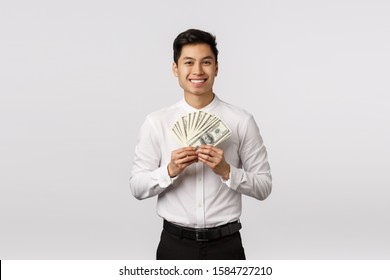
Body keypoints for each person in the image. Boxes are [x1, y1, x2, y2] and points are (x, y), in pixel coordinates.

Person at [130, 29, 272, 260]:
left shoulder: (241, 121)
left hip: (227, 246)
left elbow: (264, 186)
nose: (197, 71)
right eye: (188, 62)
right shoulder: (156, 122)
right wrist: (169, 171)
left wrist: (227, 172)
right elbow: (137, 187)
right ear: (175, 68)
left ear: (216, 68)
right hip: (174, 245)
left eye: (206, 62)